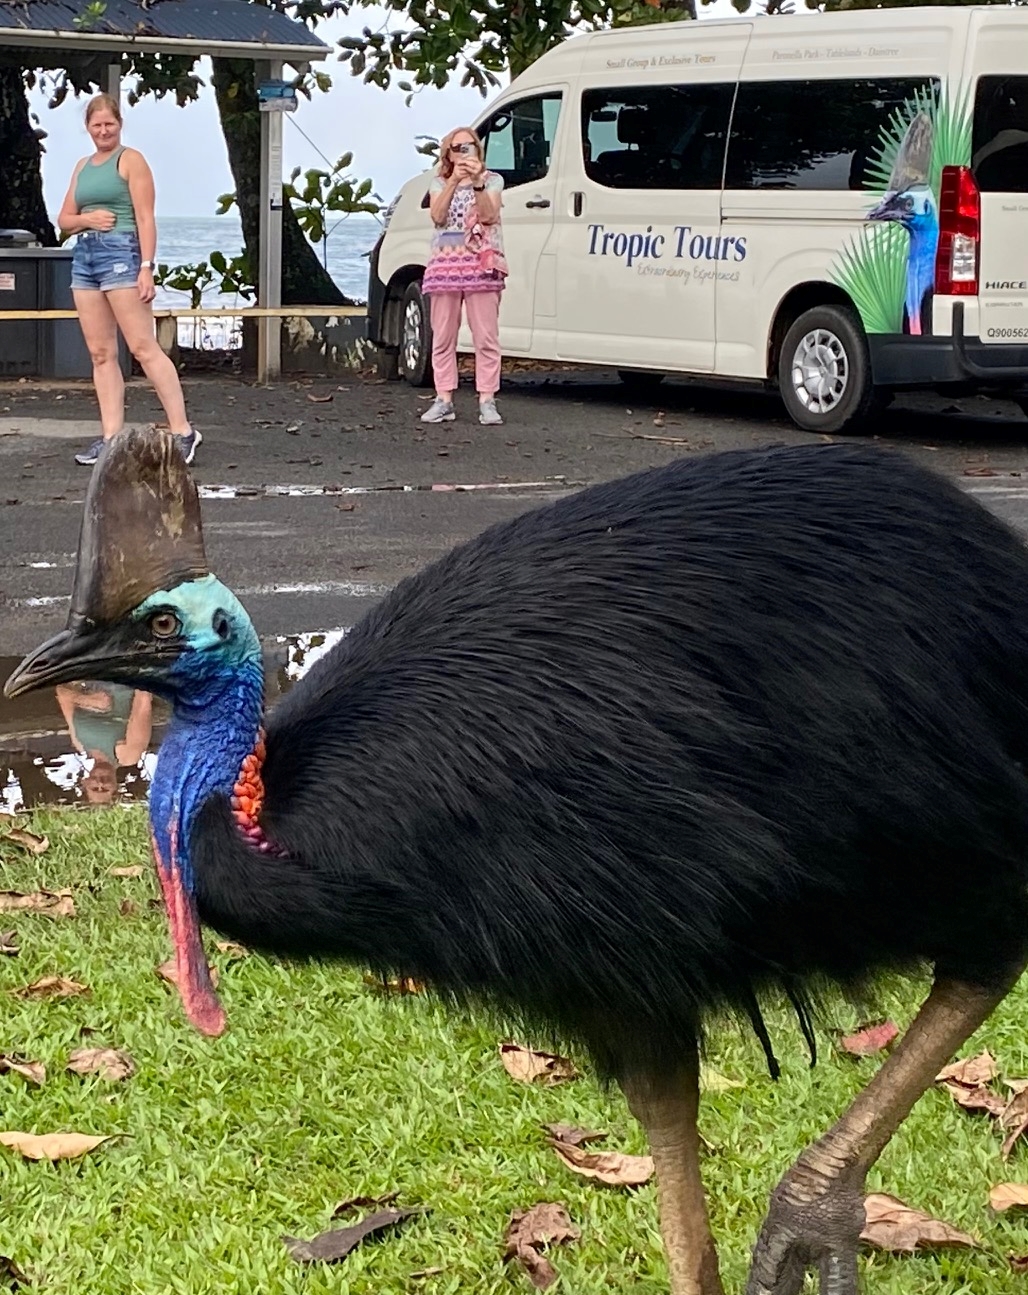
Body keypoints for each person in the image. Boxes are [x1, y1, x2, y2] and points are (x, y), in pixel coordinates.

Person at [58, 93, 201, 468]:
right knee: (101, 353)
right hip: (85, 255)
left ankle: (183, 430)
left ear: (119, 125)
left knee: (141, 346)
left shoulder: (130, 160)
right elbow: (64, 219)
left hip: (121, 253)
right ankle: (111, 438)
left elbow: (145, 217)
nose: (103, 131)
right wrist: (87, 221)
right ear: (88, 128)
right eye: (96, 125)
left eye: (109, 124)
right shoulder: (83, 166)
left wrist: (146, 266)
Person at [421, 126, 507, 427]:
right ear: (448, 153)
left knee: (486, 336)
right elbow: (437, 216)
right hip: (445, 265)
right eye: (457, 148)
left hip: (481, 264)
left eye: (468, 146)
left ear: (477, 150)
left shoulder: (492, 180)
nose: (463, 152)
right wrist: (454, 182)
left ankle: (487, 399)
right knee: (443, 334)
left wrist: (477, 184)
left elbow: (489, 216)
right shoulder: (438, 182)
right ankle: (443, 398)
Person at [54, 681, 154, 807]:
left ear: (85, 783)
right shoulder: (128, 755)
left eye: (95, 788)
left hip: (87, 677)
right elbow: (144, 697)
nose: (100, 783)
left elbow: (61, 691)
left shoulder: (79, 743)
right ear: (116, 787)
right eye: (105, 789)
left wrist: (87, 700)